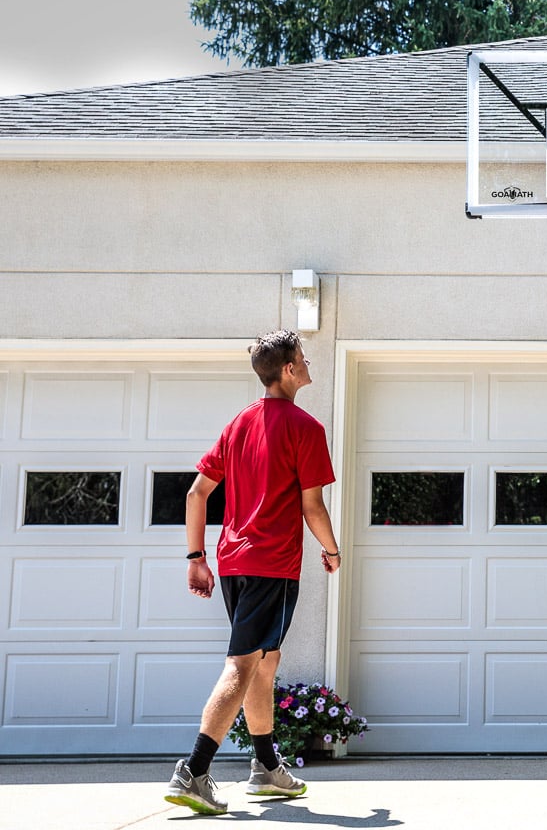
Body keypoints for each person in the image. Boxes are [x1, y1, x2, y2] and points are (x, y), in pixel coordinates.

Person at [164, 330, 341, 815]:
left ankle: (265, 767)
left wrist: (196, 558)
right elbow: (312, 506)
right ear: (288, 370)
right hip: (273, 565)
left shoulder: (238, 424)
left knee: (265, 661)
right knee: (243, 664)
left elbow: (196, 493)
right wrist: (331, 550)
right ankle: (194, 771)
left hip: (234, 562)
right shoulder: (306, 428)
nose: (308, 365)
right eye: (303, 359)